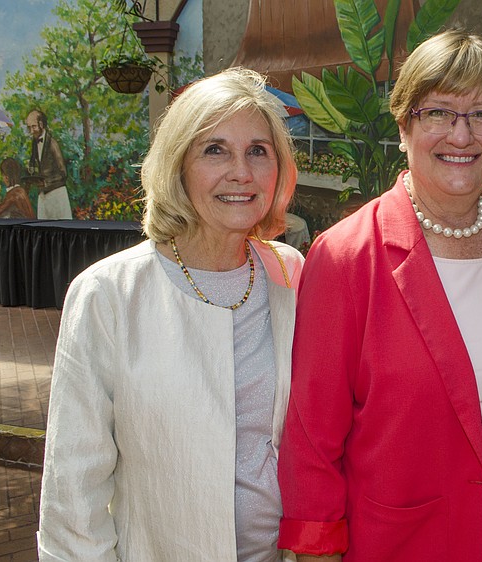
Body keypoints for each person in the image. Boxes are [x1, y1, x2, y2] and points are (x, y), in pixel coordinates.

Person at [278, 29, 482, 562]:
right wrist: (317, 548)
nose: (461, 135)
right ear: (404, 124)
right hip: (398, 544)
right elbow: (310, 435)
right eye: (437, 111)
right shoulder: (346, 258)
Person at [38, 68, 304, 562]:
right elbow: (73, 496)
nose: (241, 172)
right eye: (214, 149)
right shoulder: (108, 295)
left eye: (258, 151)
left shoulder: (290, 275)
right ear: (178, 165)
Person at [25, 109, 72, 219]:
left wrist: (46, 183)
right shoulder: (34, 142)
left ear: (41, 124)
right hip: (43, 195)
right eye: (29, 127)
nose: (31, 131)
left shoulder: (52, 143)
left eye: (33, 126)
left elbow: (63, 173)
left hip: (57, 194)